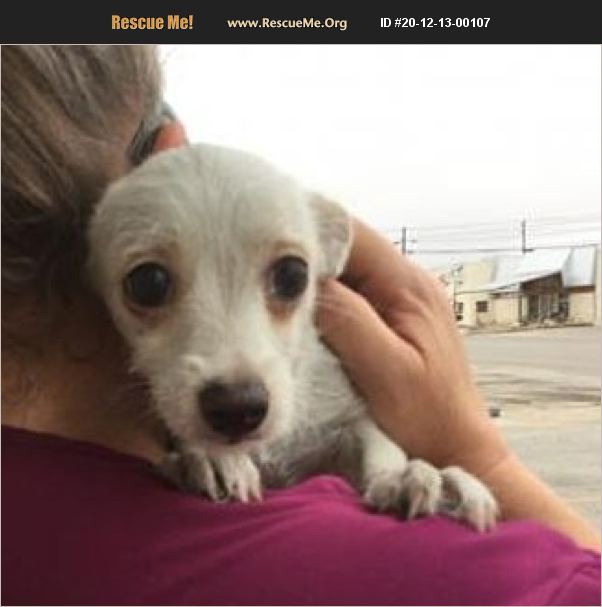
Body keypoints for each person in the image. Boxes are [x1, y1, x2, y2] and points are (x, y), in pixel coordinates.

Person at [2, 45, 600, 606]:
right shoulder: (473, 583)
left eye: (286, 282)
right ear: (166, 150)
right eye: (151, 287)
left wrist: (391, 466)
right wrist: (480, 455)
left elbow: (348, 436)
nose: (234, 362)